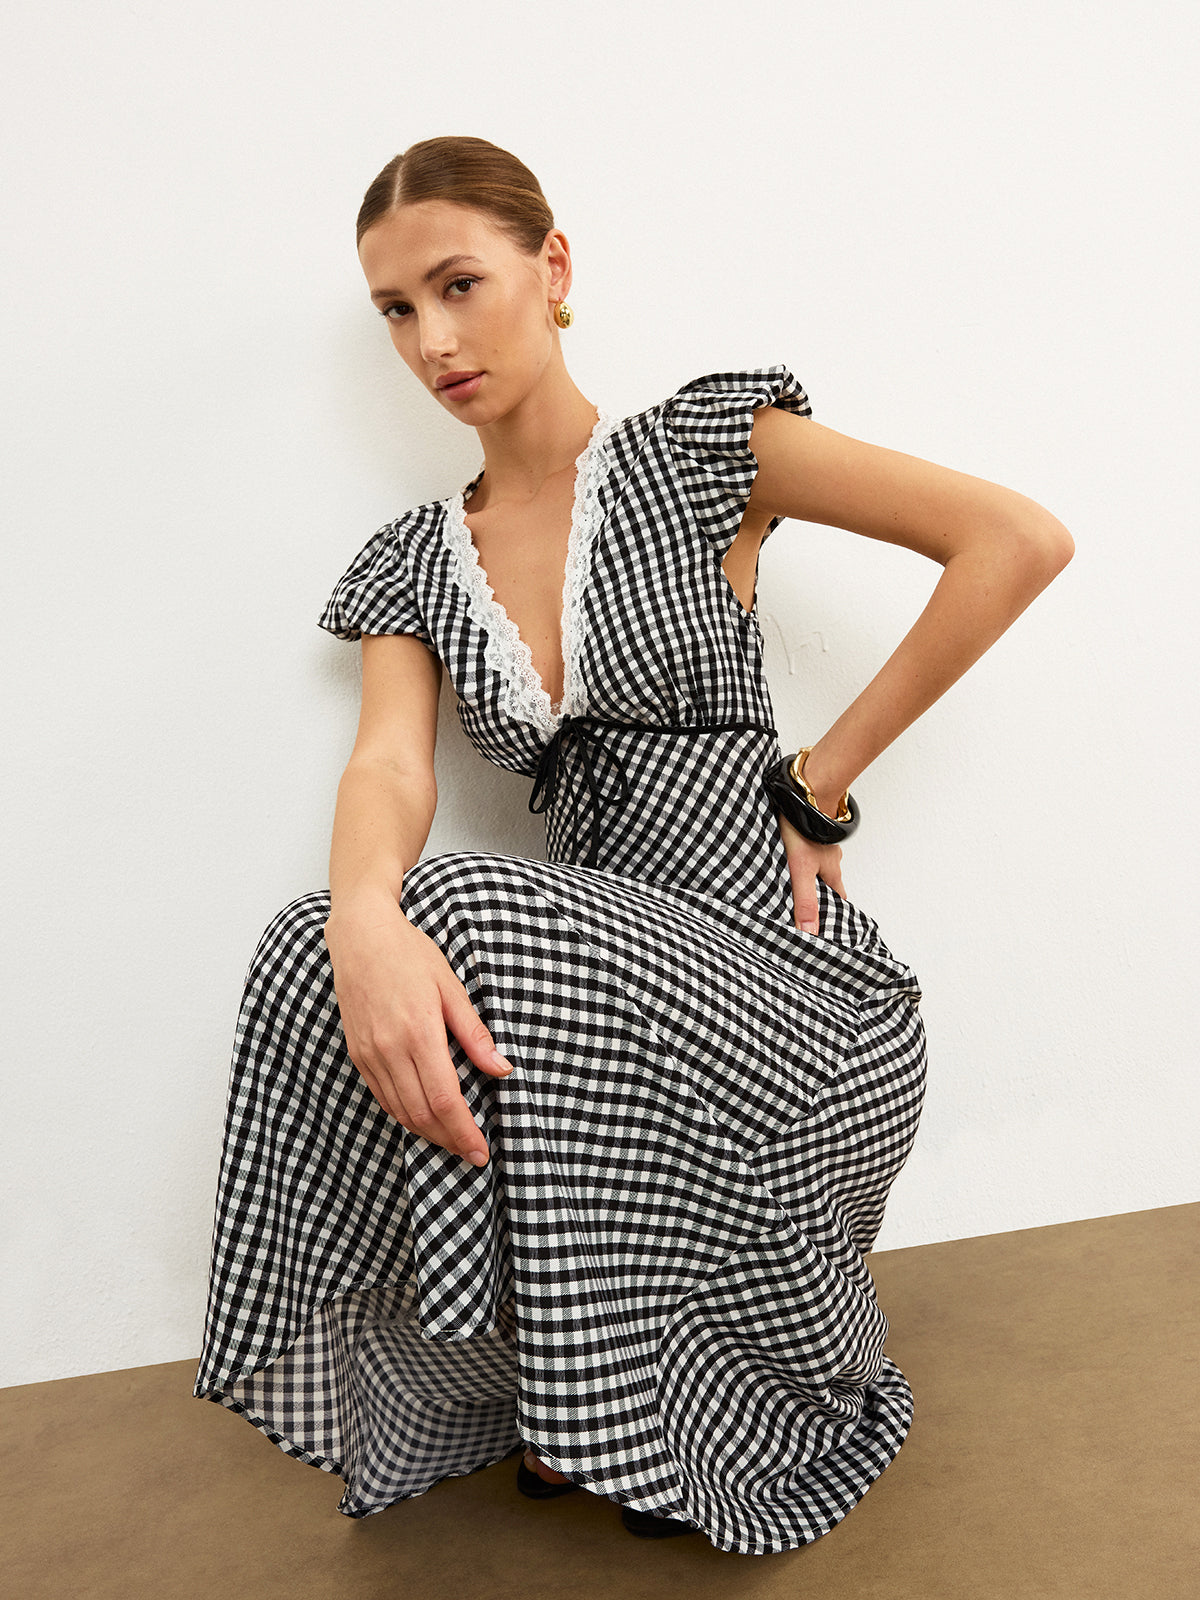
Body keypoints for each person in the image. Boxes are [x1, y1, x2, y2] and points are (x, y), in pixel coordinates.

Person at [192, 135, 1073, 1554]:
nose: (433, 341)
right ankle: (559, 1380)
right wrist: (361, 913)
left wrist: (821, 781)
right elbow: (389, 764)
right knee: (315, 945)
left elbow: (1014, 540)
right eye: (397, 311)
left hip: (788, 984)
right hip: (601, 992)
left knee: (461, 904)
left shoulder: (700, 448)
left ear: (552, 268)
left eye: (459, 285)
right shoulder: (412, 560)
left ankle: (643, 1393)